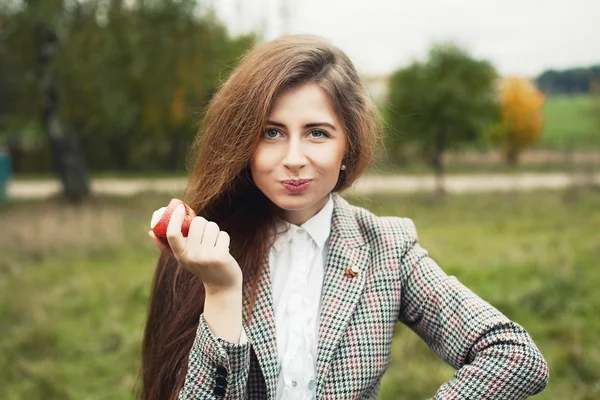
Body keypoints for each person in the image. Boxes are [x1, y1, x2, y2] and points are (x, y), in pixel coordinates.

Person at [140, 34, 549, 400]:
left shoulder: (387, 248)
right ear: (243, 143)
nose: (294, 160)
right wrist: (221, 292)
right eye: (271, 133)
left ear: (347, 146)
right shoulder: (201, 245)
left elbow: (515, 356)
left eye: (317, 132)